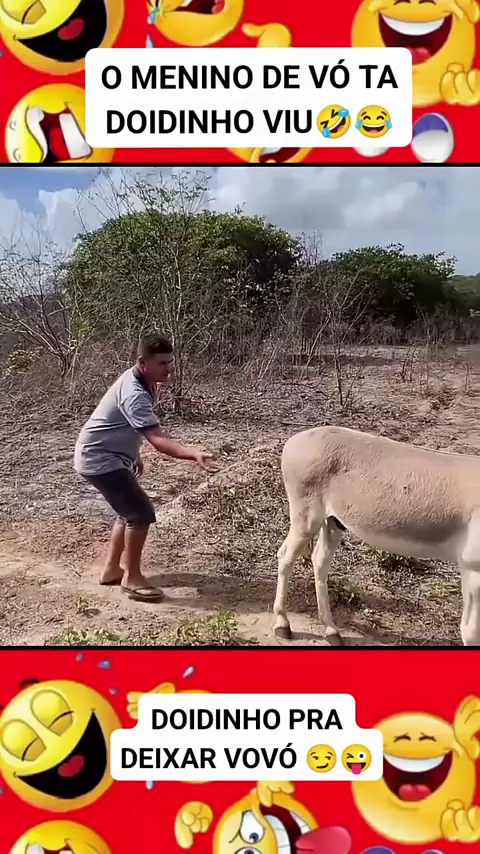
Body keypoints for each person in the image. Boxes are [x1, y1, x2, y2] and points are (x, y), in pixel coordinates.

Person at [74, 333, 218, 602]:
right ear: (143, 362)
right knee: (140, 513)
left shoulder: (143, 380)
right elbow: (158, 441)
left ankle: (112, 570)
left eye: (170, 362)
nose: (169, 368)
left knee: (128, 511)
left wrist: (134, 454)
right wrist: (193, 453)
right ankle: (132, 578)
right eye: (162, 363)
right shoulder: (135, 393)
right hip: (99, 459)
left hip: (109, 456)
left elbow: (126, 426)